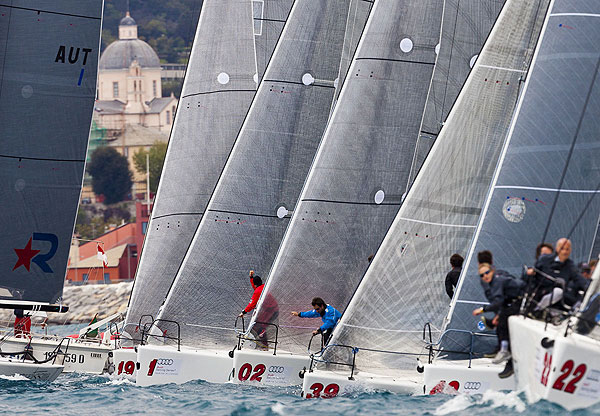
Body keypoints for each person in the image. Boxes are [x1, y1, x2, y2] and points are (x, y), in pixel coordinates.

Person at [472, 263, 525, 378]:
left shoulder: (497, 281)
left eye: (487, 273)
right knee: (502, 322)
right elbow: (503, 301)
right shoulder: (496, 280)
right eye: (482, 275)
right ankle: (502, 349)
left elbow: (498, 302)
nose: (485, 276)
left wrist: (482, 310)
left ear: (493, 271)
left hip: (524, 301)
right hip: (515, 302)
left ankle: (504, 350)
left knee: (503, 325)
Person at [531, 238, 589, 310]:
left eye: (567, 249)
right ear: (557, 249)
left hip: (557, 298)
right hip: (538, 292)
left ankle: (539, 310)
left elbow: (580, 280)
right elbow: (533, 273)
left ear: (570, 251)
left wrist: (590, 288)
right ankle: (536, 309)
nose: (565, 252)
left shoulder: (571, 266)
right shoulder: (544, 259)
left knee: (559, 293)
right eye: (562, 248)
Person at [239, 271, 279, 349]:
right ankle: (263, 345)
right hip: (272, 310)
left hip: (271, 311)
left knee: (259, 327)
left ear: (255, 284)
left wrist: (243, 312)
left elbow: (252, 304)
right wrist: (251, 278)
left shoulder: (258, 291)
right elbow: (255, 287)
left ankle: (264, 346)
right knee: (257, 326)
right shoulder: (263, 287)